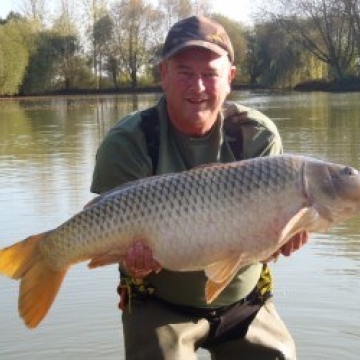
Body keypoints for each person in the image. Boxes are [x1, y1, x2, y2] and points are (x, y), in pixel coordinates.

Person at [91, 15, 308, 360]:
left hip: (245, 301)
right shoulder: (129, 141)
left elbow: (262, 244)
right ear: (163, 74)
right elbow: (110, 232)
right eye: (185, 73)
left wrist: (278, 242)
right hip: (159, 304)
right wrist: (131, 262)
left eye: (210, 74)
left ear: (230, 78)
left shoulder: (258, 136)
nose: (199, 87)